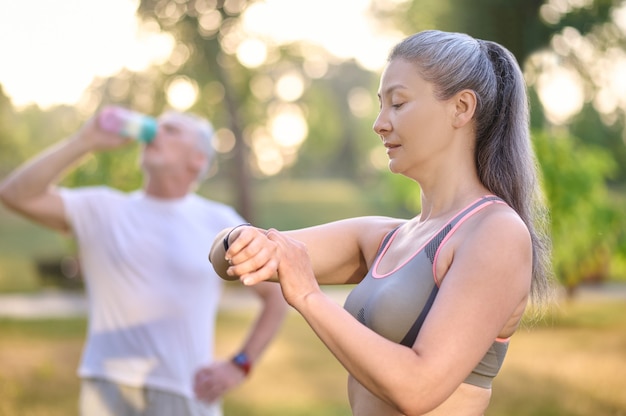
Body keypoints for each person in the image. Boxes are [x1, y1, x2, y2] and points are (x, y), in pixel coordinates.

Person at [208, 30, 554, 416]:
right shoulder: (386, 238)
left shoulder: (495, 232)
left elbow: (419, 389)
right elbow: (225, 260)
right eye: (380, 105)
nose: (379, 123)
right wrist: (242, 239)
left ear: (461, 107)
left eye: (398, 103)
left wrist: (308, 296)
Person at [0, 107, 287, 416]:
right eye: (156, 126)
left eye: (171, 130)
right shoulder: (102, 209)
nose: (154, 132)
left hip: (186, 393)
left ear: (197, 160)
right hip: (107, 391)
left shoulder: (220, 223)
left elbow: (275, 297)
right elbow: (16, 194)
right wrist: (84, 141)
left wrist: (240, 365)